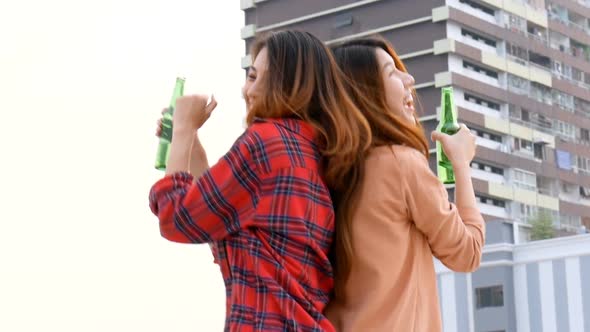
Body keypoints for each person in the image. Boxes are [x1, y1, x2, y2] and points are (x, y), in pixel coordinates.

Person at [148, 30, 370, 331]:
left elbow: (177, 218)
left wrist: (185, 129)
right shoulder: (312, 152)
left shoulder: (264, 143)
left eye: (253, 77)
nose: (245, 89)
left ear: (282, 82)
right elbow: (219, 217)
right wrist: (185, 141)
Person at [324, 36, 485, 331]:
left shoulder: (326, 170)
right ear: (365, 93)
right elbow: (467, 253)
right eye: (391, 72)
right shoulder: (401, 163)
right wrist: (461, 163)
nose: (408, 78)